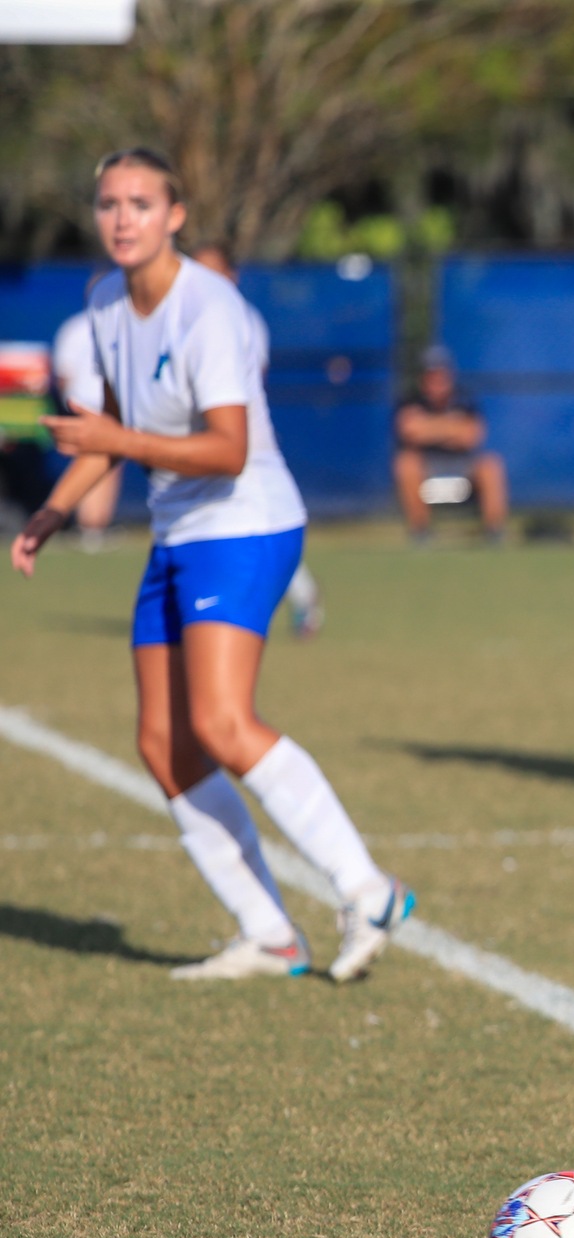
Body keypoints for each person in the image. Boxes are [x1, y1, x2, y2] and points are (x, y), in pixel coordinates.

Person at [12, 148, 412, 982]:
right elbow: (117, 419)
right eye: (110, 204)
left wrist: (116, 444)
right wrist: (51, 511)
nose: (123, 219)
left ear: (176, 215)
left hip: (245, 522)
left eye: (142, 204)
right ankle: (270, 933)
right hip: (176, 531)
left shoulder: (213, 308)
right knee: (165, 744)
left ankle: (367, 888)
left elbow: (228, 451)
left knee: (224, 724)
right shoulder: (106, 305)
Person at [191, 242, 322, 637]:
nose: (204, 282)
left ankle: (301, 596)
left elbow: (243, 390)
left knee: (254, 531)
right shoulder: (184, 318)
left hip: (240, 448)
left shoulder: (242, 319)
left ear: (232, 276)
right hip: (203, 448)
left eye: (214, 271)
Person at [395, 344, 508, 546]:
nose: (436, 381)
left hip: (463, 468)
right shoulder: (410, 400)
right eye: (430, 375)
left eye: (440, 374)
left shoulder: (464, 398)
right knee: (406, 464)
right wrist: (452, 427)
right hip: (427, 468)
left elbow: (471, 435)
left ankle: (494, 532)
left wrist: (429, 428)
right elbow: (410, 431)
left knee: (491, 464)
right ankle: (420, 533)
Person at [51, 286, 123, 548]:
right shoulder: (77, 328)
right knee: (96, 463)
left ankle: (91, 526)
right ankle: (88, 526)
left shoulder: (123, 328)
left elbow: (63, 375)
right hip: (86, 407)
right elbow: (64, 374)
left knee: (104, 465)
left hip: (106, 409)